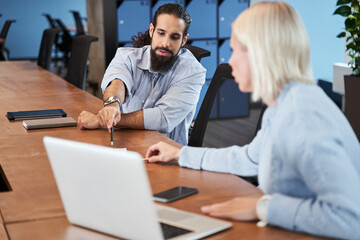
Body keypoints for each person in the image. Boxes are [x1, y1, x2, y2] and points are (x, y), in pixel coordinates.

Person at [145, 2, 360, 239]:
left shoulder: (301, 115)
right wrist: (180, 154)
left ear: (262, 54)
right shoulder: (282, 104)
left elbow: (350, 219)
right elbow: (250, 158)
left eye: (237, 50)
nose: (231, 61)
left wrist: (261, 208)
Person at [78, 4, 206, 145]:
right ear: (152, 31)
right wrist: (112, 106)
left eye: (174, 37)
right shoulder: (126, 57)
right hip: (130, 142)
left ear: (184, 40)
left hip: (168, 152)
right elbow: (117, 82)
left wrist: (103, 120)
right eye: (161, 33)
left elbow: (162, 118)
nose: (165, 43)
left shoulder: (193, 71)